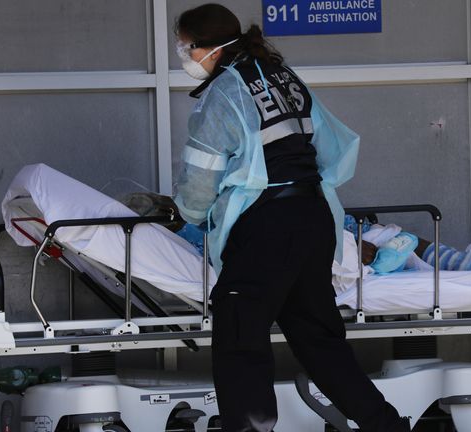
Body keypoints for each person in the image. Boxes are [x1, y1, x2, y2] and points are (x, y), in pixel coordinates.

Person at [171, 4, 410, 431]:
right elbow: (329, 147)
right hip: (314, 216)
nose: (184, 56)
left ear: (207, 47)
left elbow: (199, 179)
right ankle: (385, 426)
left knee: (239, 335)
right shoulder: (281, 76)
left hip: (269, 226)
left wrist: (189, 214)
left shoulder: (224, 93)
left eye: (186, 48)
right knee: (320, 341)